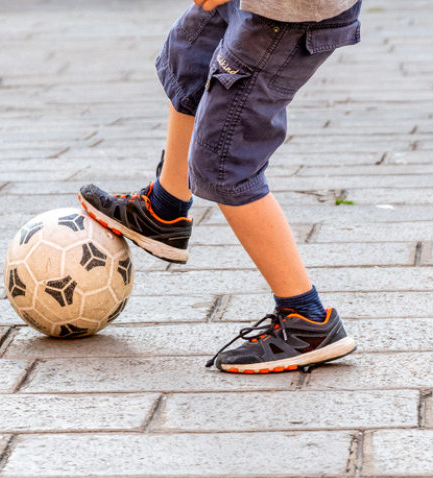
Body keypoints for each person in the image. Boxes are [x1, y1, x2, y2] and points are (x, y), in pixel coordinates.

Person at [79, 0, 361, 374]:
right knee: (189, 56)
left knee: (224, 163)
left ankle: (306, 319)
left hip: (286, 14)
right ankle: (164, 210)